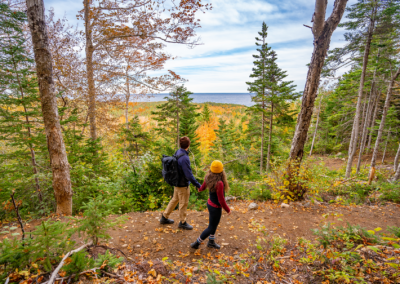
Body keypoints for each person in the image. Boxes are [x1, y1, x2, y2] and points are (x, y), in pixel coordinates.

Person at [160, 136, 201, 230]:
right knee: (183, 203)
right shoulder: (185, 158)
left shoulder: (178, 152)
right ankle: (183, 222)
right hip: (183, 185)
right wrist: (198, 185)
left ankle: (164, 217)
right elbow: (189, 175)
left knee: (174, 200)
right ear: (188, 145)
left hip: (176, 182)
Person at [190, 160, 231, 249]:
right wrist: (228, 209)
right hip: (215, 208)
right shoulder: (219, 183)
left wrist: (200, 189)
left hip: (211, 205)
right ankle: (196, 243)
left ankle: (211, 242)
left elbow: (203, 187)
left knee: (214, 224)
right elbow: (221, 199)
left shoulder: (208, 176)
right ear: (221, 171)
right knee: (211, 227)